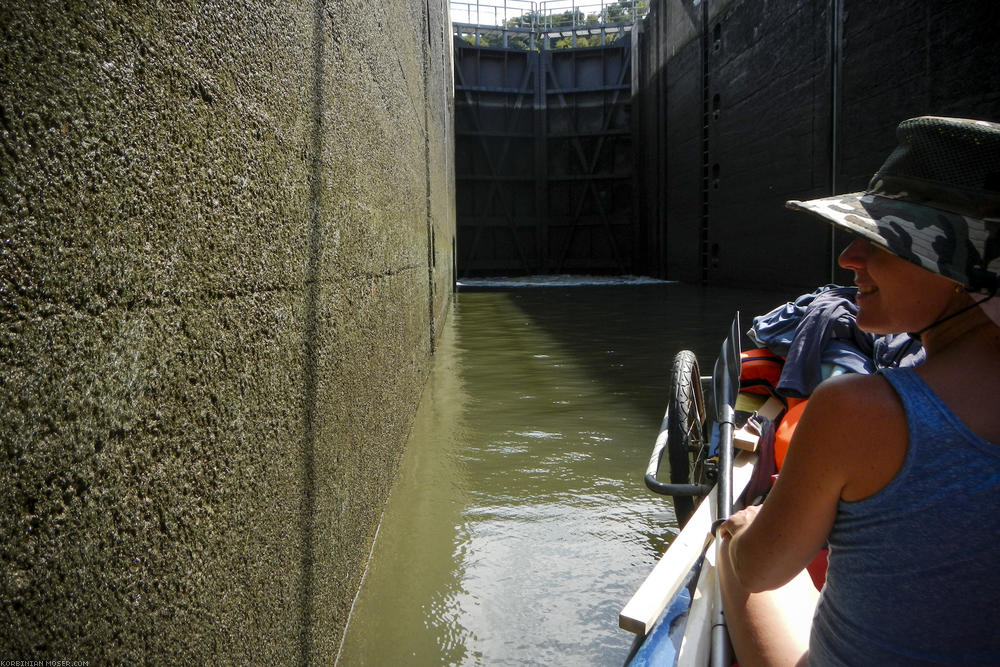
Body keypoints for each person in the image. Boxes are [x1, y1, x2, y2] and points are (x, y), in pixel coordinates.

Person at [717, 116, 1000, 666]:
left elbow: (762, 571)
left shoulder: (856, 408)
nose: (849, 258)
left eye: (884, 243)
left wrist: (744, 529)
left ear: (965, 272)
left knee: (735, 554)